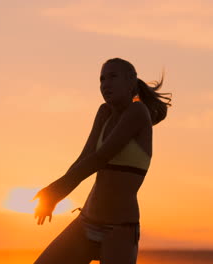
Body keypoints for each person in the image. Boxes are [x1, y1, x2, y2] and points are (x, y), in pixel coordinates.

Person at [33, 58, 172, 264]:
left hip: (119, 229)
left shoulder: (138, 112)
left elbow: (100, 158)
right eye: (102, 79)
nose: (105, 84)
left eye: (113, 77)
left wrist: (56, 191)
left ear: (131, 81)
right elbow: (84, 158)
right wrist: (51, 196)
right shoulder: (104, 112)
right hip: (86, 222)